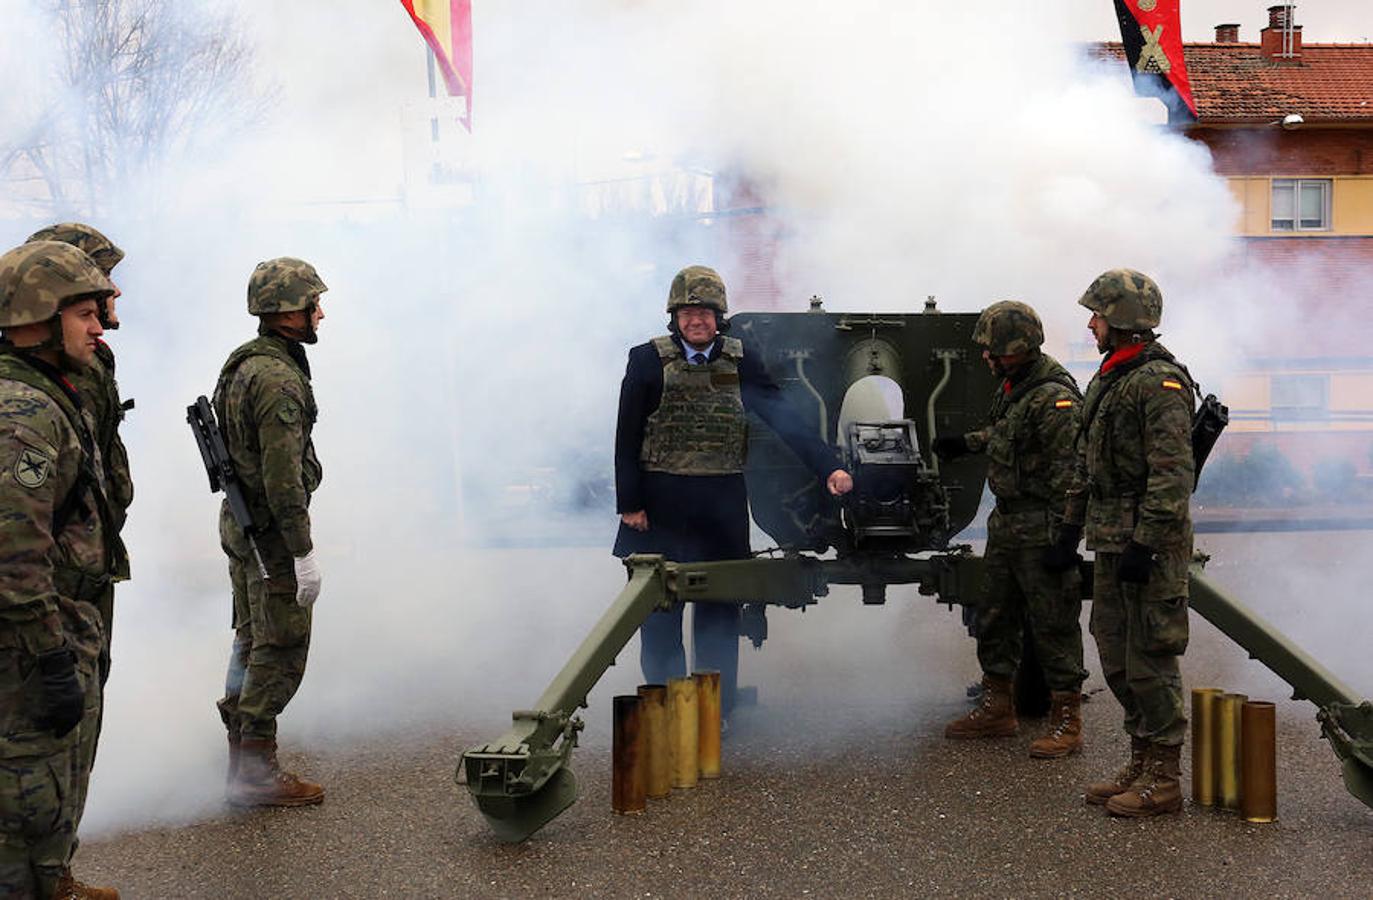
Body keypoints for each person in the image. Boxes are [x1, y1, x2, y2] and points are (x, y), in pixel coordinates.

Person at [614, 265, 852, 717]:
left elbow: (784, 418)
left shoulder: (740, 360)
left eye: (704, 312)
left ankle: (712, 710)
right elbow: (626, 435)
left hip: (720, 503)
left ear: (719, 315)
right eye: (686, 313)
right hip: (659, 505)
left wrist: (829, 468)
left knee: (720, 608)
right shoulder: (647, 360)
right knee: (659, 612)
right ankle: (666, 709)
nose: (695, 320)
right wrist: (630, 504)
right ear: (674, 317)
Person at [1047, 268, 1195, 817]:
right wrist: (1068, 528)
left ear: (1124, 321)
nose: (1091, 323)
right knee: (1114, 649)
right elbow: (1086, 465)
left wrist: (1147, 544)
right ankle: (1140, 756)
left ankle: (1164, 776)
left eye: (1098, 314)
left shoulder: (1159, 383)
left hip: (1146, 546)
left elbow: (1172, 474)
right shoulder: (1111, 379)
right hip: (1110, 540)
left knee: (1151, 655)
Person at [0, 241, 122, 899]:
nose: (98, 325)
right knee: (22, 797)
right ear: (40, 317)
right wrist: (49, 655)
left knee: (50, 780)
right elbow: (13, 551)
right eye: (83, 314)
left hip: (63, 620)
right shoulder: (21, 415)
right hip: (28, 640)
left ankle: (52, 879)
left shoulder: (48, 394)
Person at [933, 301, 1087, 758]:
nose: (986, 357)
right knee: (995, 615)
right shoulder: (1016, 385)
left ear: (1020, 348)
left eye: (994, 350)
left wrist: (1066, 538)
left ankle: (1067, 720)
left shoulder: (1055, 397)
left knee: (1053, 624)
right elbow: (1008, 434)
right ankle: (998, 705)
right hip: (1007, 522)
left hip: (1041, 525)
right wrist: (967, 443)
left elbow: (1071, 475)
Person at [213, 257, 328, 807]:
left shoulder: (243, 366)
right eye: (312, 305)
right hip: (270, 534)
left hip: (242, 526)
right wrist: (301, 551)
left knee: (249, 636)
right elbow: (283, 478)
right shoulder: (278, 379)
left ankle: (241, 754)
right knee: (279, 645)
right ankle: (255, 772)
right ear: (287, 312)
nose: (320, 314)